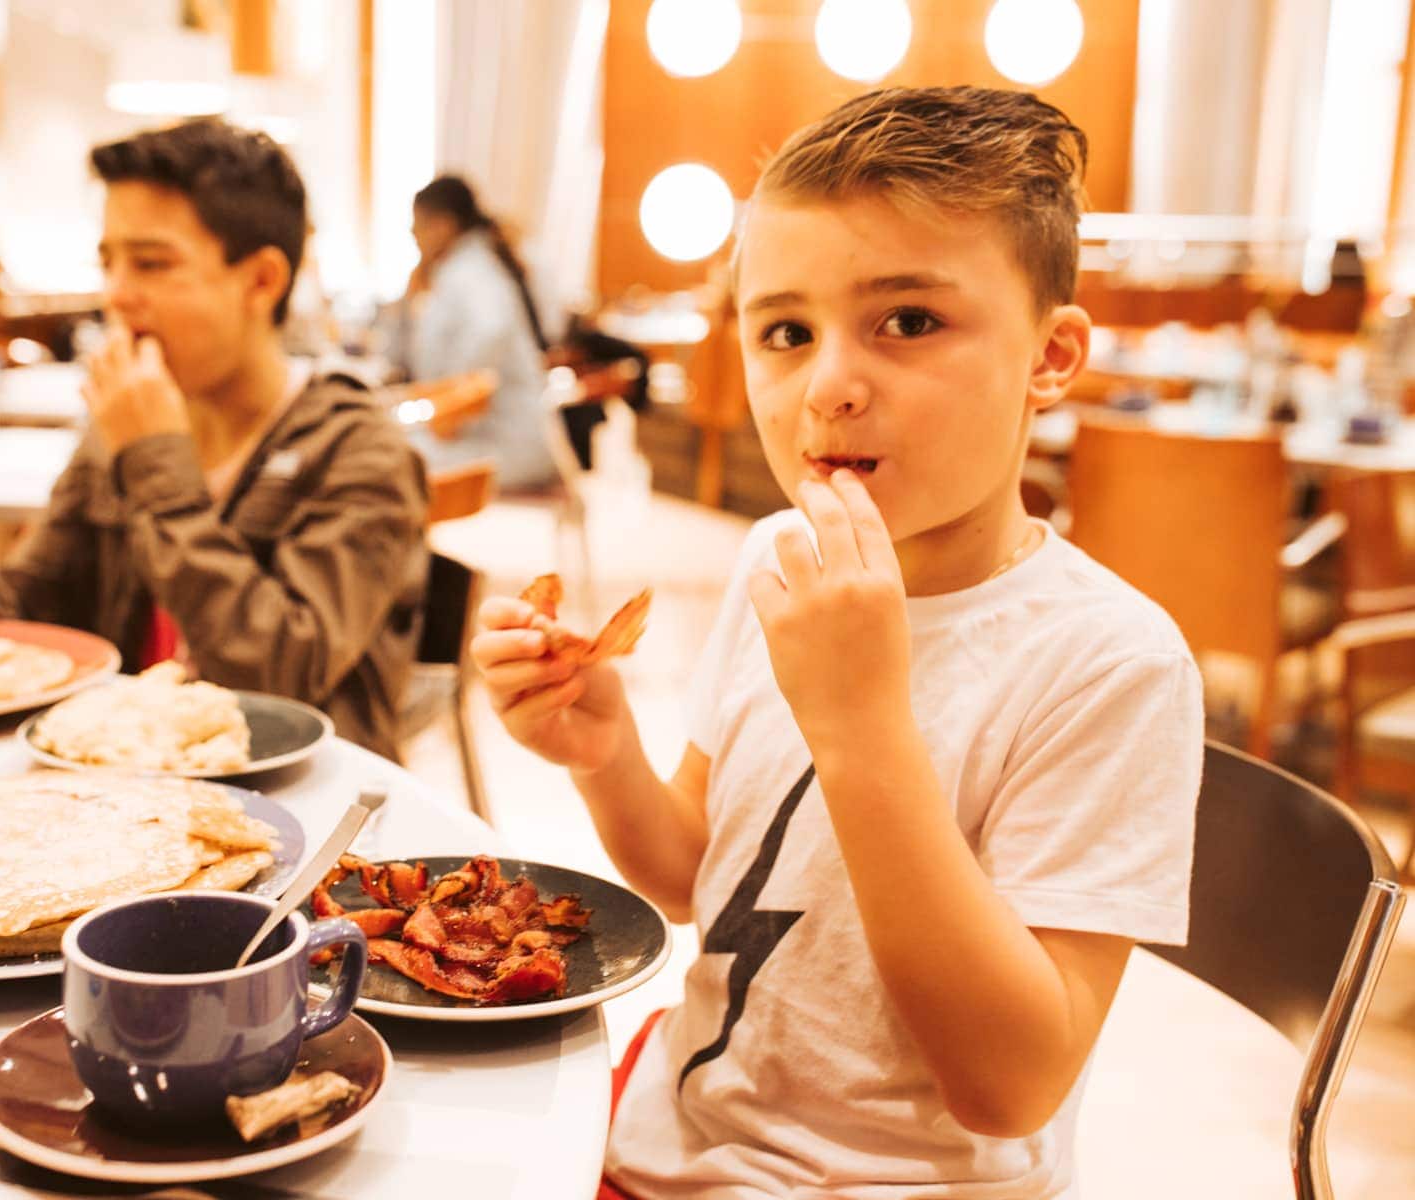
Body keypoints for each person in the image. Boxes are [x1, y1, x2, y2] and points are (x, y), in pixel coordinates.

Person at [470, 87, 1202, 1197]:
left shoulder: (1110, 663)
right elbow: (690, 881)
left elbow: (1009, 1086)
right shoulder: (783, 557)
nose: (828, 388)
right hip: (672, 1138)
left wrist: (863, 724)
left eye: (908, 322)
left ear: (1050, 358)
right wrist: (605, 754)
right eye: (785, 332)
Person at [0, 118, 429, 760]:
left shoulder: (357, 448)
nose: (117, 294)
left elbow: (282, 673)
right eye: (109, 262)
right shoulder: (120, 430)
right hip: (122, 787)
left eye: (153, 263)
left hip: (312, 812)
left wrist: (156, 462)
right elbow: (26, 602)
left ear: (261, 280)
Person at [380, 175, 557, 488]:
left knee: (387, 459)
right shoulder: (461, 269)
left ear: (443, 226)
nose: (413, 234)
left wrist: (455, 402)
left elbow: (492, 328)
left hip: (504, 440)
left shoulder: (471, 271)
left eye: (417, 225)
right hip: (488, 434)